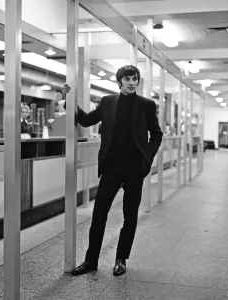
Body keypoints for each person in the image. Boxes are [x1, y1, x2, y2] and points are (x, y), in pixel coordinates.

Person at [62, 65, 163, 276]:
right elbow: (87, 119)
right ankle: (91, 261)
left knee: (130, 215)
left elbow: (156, 133)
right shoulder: (108, 102)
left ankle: (120, 259)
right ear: (119, 82)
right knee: (99, 214)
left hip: (135, 168)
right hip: (111, 167)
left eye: (135, 79)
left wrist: (147, 158)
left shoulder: (146, 105)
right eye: (127, 79)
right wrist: (69, 101)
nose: (132, 82)